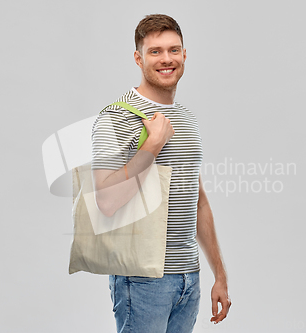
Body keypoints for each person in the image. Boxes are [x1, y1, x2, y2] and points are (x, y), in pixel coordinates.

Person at [91, 14, 231, 332]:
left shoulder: (186, 118)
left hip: (189, 278)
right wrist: (152, 146)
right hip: (142, 279)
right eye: (155, 51)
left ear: (184, 55)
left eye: (173, 50)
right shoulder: (116, 117)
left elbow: (198, 202)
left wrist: (219, 275)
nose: (166, 59)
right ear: (139, 58)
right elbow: (106, 202)